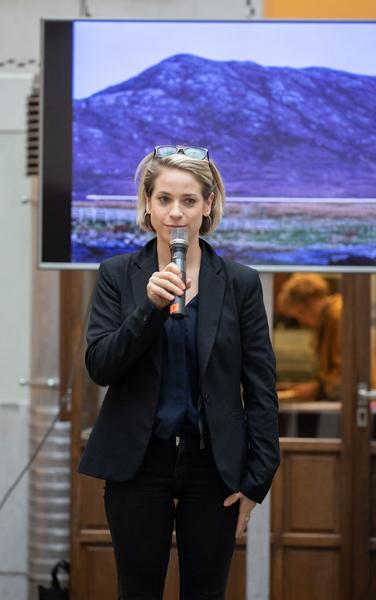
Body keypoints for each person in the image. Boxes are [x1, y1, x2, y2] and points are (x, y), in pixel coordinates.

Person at [78, 144, 280, 600]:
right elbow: (101, 366)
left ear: (207, 206)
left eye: (188, 200)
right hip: (138, 463)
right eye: (164, 199)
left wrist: (257, 481)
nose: (175, 213)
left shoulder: (240, 283)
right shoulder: (116, 275)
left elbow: (261, 388)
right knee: (138, 590)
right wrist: (147, 309)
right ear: (147, 205)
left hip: (213, 467)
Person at [277, 273, 342, 400]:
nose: (303, 322)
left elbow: (344, 373)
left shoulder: (337, 315)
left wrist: (316, 390)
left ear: (311, 303)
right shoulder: (329, 318)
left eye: (300, 314)